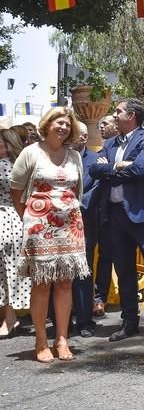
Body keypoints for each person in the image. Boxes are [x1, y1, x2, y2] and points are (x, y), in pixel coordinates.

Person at [90, 99, 144, 343]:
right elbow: (93, 171)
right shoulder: (109, 143)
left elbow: (141, 169)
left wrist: (111, 167)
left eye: (118, 111)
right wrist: (118, 166)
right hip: (115, 215)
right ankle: (130, 321)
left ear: (131, 116)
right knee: (124, 269)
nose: (114, 115)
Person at [9, 107, 90, 362]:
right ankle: (41, 340)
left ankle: (63, 339)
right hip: (39, 225)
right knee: (41, 284)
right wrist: (30, 218)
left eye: (67, 124)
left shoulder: (74, 155)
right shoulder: (30, 152)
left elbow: (78, 189)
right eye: (59, 122)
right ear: (47, 124)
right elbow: (15, 188)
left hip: (70, 225)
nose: (63, 127)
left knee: (66, 283)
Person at [70, 121, 100, 337]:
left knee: (83, 270)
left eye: (81, 134)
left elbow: (98, 186)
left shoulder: (96, 159)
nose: (79, 137)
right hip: (57, 221)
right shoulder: (58, 156)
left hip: (84, 221)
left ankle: (84, 320)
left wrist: (74, 205)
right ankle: (59, 319)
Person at [0, 129, 31, 339]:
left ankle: (9, 318)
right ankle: (9, 317)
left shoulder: (6, 167)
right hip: (12, 219)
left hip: (8, 220)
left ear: (8, 145)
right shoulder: (17, 166)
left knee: (7, 269)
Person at [92, 114, 119, 317]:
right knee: (106, 256)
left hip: (132, 213)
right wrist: (114, 167)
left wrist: (108, 167)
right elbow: (96, 169)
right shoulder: (105, 148)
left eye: (105, 123)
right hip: (107, 212)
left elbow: (136, 169)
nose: (101, 127)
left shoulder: (134, 143)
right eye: (100, 124)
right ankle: (99, 297)